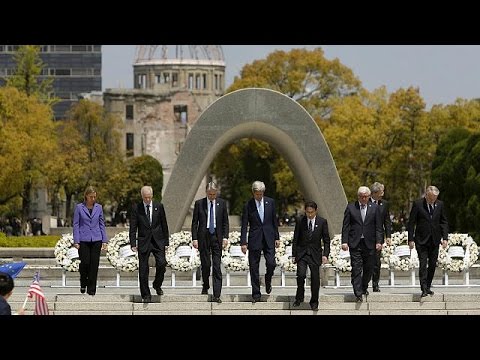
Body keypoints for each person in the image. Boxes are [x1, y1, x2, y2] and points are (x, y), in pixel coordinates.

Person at [341, 186, 383, 302]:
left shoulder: (374, 208)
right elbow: (346, 226)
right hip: (355, 242)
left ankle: (364, 286)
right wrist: (344, 241)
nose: (363, 199)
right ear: (358, 197)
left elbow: (379, 227)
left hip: (370, 243)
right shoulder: (351, 207)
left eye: (365, 197)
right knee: (356, 268)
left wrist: (379, 241)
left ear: (369, 197)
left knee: (369, 268)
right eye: (361, 197)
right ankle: (358, 292)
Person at [240, 181, 280, 303]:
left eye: (261, 194)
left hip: (269, 237)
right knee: (254, 267)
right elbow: (244, 224)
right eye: (257, 194)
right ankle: (256, 294)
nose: (259, 196)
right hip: (255, 238)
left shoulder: (270, 202)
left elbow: (274, 221)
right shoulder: (248, 205)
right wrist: (243, 242)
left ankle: (268, 279)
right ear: (253, 193)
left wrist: (277, 237)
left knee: (271, 263)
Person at [130, 185, 169, 303]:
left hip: (158, 241)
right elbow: (133, 227)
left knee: (162, 263)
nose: (147, 200)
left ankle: (157, 284)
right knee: (143, 269)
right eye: (145, 197)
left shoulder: (159, 206)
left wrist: (166, 242)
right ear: (142, 196)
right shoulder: (137, 208)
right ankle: (145, 295)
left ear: (152, 196)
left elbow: (164, 225)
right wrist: (133, 242)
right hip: (144, 241)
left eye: (149, 197)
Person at [191, 182, 229, 303]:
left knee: (217, 266)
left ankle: (217, 294)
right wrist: (195, 238)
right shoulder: (199, 204)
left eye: (214, 194)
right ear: (206, 193)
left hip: (216, 237)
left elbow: (225, 222)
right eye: (210, 194)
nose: (212, 196)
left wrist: (225, 237)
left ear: (216, 193)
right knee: (206, 264)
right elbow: (194, 223)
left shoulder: (222, 204)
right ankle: (205, 284)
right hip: (203, 236)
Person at [407, 185, 448, 297]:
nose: (432, 200)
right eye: (431, 198)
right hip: (421, 240)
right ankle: (424, 288)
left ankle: (428, 286)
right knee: (423, 263)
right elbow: (411, 223)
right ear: (426, 195)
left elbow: (443, 222)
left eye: (434, 198)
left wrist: (445, 238)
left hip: (434, 240)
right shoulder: (418, 204)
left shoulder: (440, 204)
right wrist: (410, 239)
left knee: (433, 265)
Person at [292, 201, 330, 311]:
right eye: (307, 212)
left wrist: (325, 255)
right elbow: (296, 239)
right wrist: (294, 255)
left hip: (315, 254)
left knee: (315, 279)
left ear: (316, 211)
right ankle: (299, 297)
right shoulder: (300, 221)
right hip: (302, 254)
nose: (309, 214)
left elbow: (326, 240)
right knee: (300, 275)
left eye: (311, 212)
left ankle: (314, 302)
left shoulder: (322, 222)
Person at [73, 186, 108, 296]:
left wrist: (104, 240)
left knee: (94, 264)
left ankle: (91, 289)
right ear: (86, 196)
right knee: (85, 263)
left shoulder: (99, 208)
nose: (93, 199)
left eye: (94, 197)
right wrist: (76, 240)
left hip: (96, 239)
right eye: (91, 197)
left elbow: (102, 224)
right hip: (83, 239)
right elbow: (76, 224)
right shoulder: (79, 208)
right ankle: (83, 282)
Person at [369, 182, 392, 292]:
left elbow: (387, 221)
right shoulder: (365, 202)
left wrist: (388, 236)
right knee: (366, 261)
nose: (383, 194)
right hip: (366, 236)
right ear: (374, 193)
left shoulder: (384, 204)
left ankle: (375, 283)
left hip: (378, 237)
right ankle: (364, 282)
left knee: (376, 262)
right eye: (381, 192)